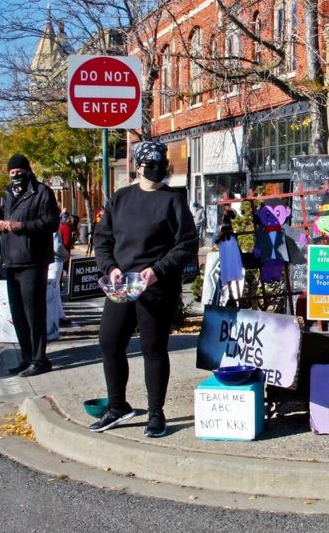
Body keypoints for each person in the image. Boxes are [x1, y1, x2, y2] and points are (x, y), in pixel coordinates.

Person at [90, 141, 197, 438]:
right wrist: (110, 267)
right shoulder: (121, 198)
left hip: (156, 286)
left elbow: (186, 244)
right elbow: (103, 239)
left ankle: (155, 413)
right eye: (150, 164)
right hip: (122, 284)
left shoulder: (174, 200)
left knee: (153, 349)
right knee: (110, 342)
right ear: (138, 167)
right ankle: (117, 406)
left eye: (161, 164)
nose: (156, 169)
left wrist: (158, 270)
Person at [0, 154, 60, 377]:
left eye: (19, 171)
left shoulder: (42, 192)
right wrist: (0, 225)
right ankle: (27, 356)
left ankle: (39, 358)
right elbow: (2, 218)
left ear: (28, 170)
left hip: (33, 260)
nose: (15, 175)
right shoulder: (7, 193)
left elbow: (51, 222)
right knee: (18, 314)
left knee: (34, 313)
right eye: (12, 172)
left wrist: (21, 226)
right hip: (11, 261)